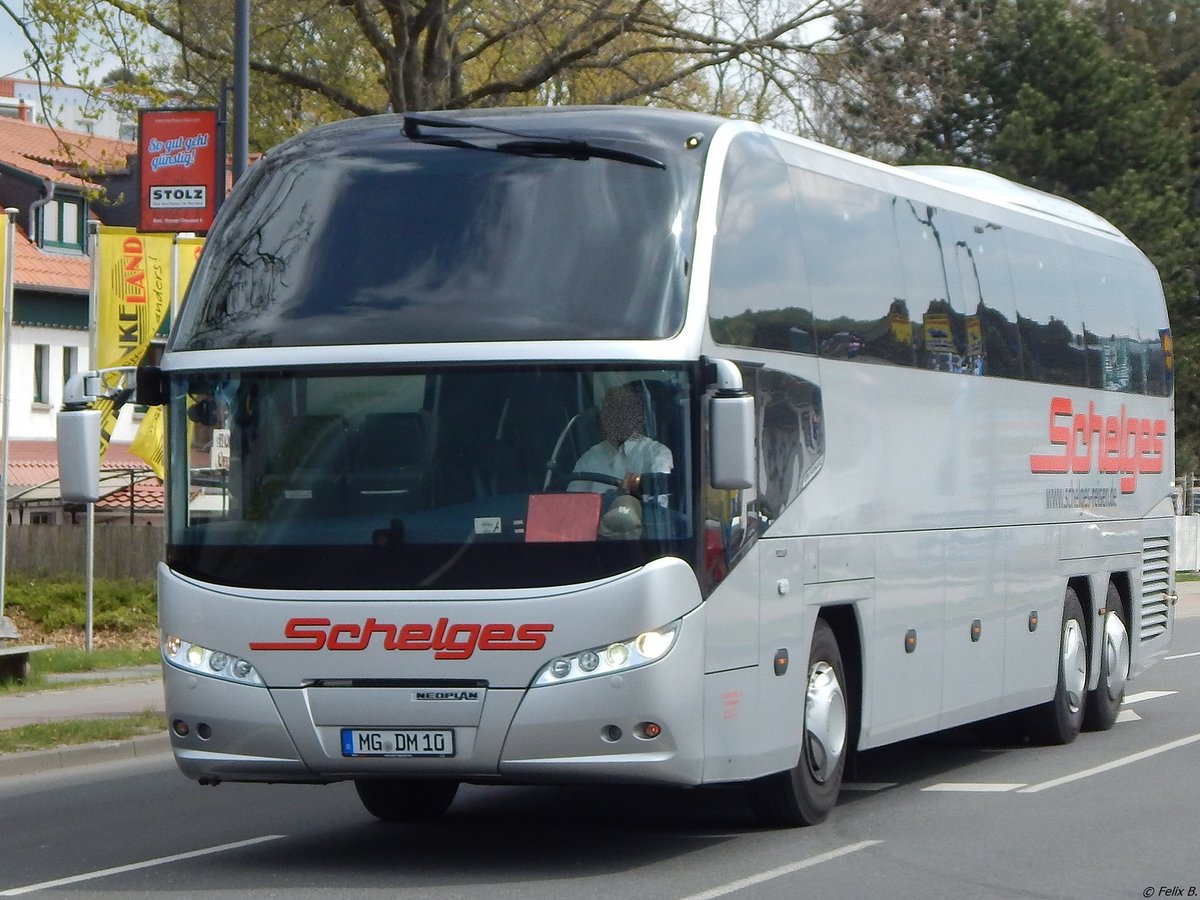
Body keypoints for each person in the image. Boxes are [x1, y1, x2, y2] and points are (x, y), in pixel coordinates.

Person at [570, 385, 673, 496]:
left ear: (636, 417)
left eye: (624, 411)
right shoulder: (589, 458)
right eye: (610, 411)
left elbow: (658, 504)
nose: (616, 418)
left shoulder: (657, 453)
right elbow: (573, 504)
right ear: (602, 418)